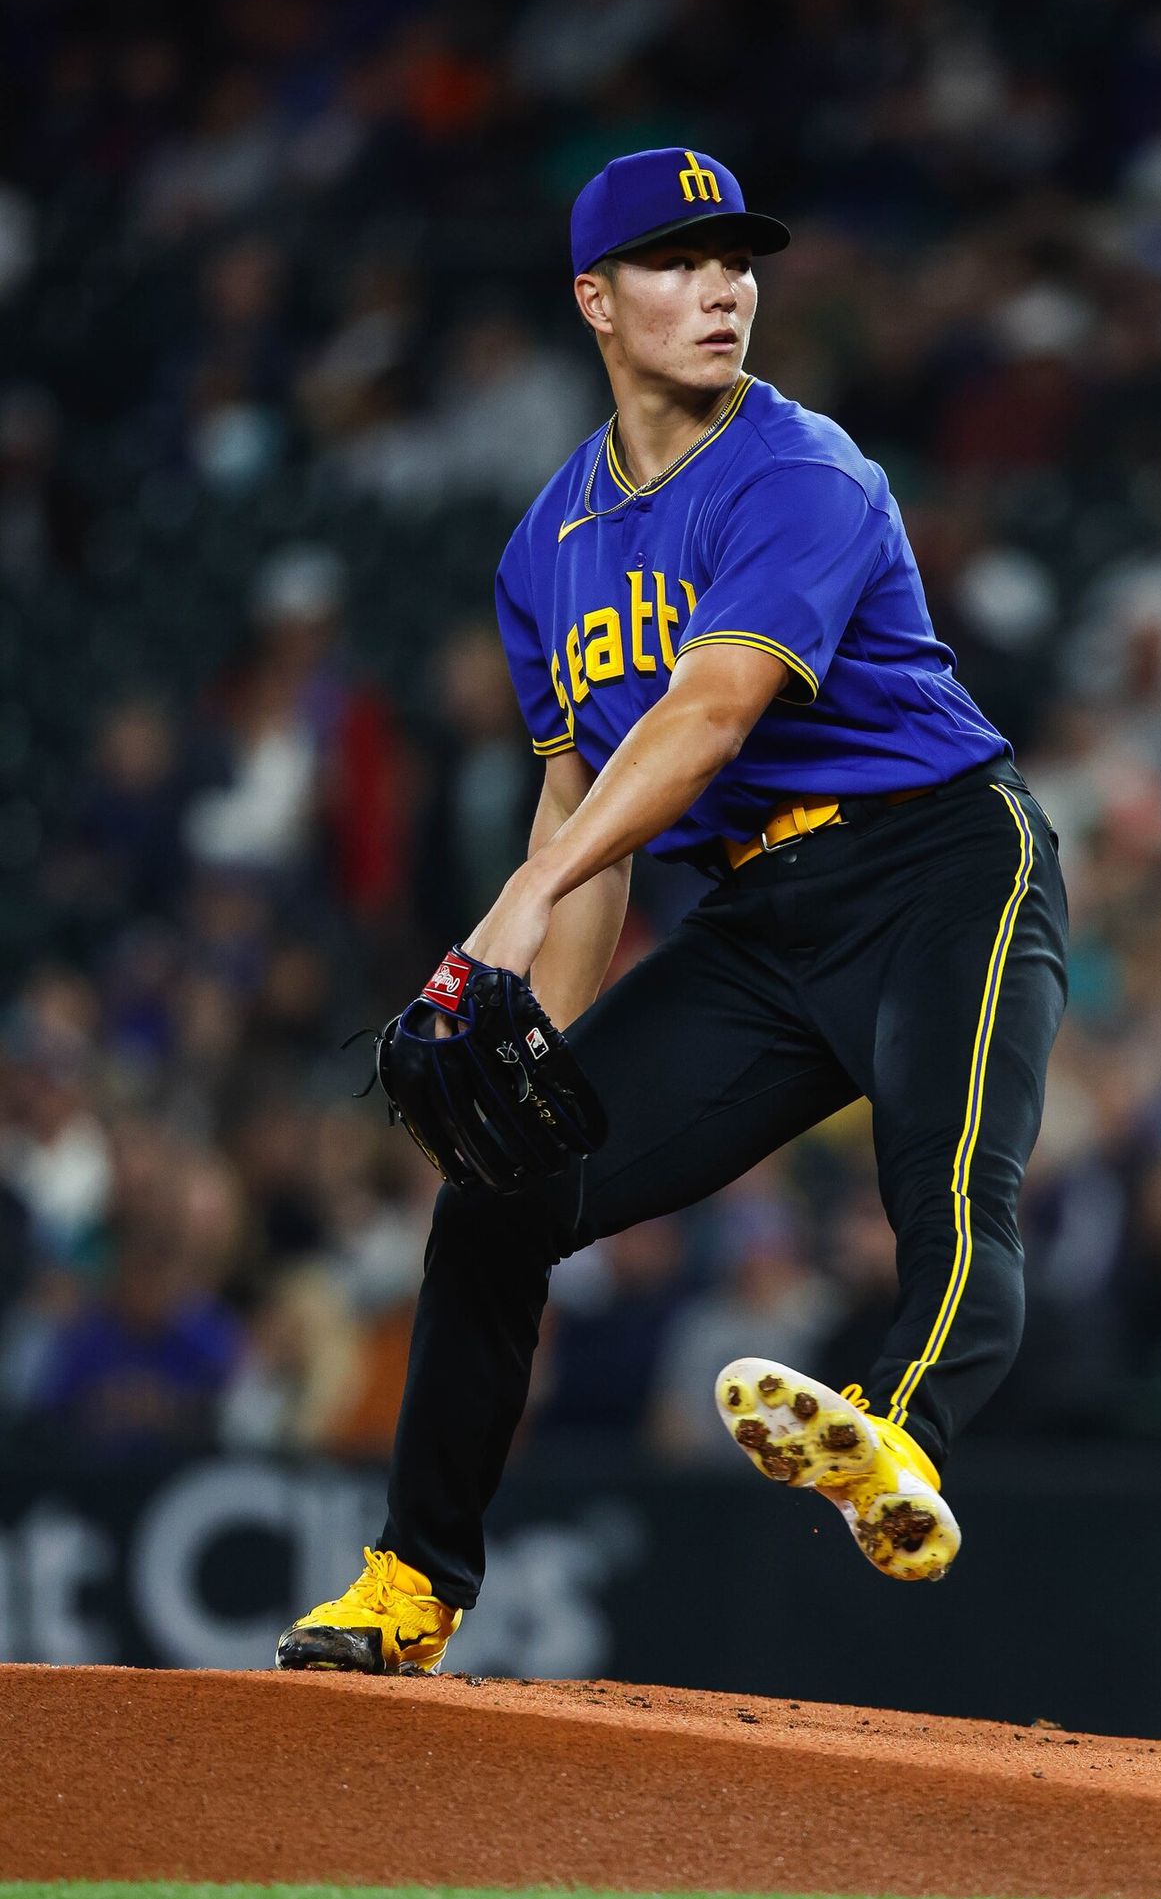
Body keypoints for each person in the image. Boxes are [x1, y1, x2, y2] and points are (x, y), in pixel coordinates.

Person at [278, 147, 1069, 1674]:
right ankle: (410, 1587)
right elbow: (583, 815)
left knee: (951, 1183)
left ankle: (898, 1437)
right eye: (675, 261)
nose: (720, 288)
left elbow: (709, 713)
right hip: (758, 922)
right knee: (498, 1204)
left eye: (737, 260)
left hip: (941, 865)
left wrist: (517, 902)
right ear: (596, 299)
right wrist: (542, 1054)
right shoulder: (542, 553)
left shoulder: (803, 471)